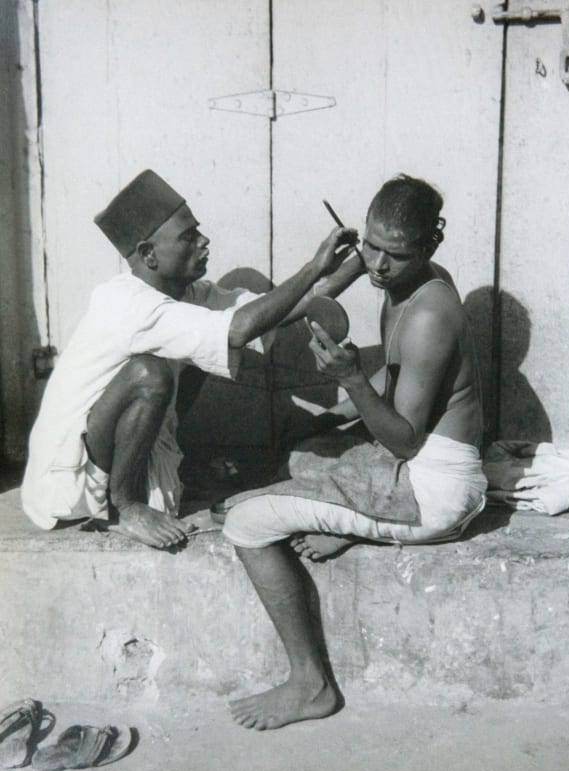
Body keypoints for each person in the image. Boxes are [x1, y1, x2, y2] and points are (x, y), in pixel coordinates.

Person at [221, 174, 488, 729]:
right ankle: (355, 523)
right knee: (302, 451)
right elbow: (399, 379)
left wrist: (351, 380)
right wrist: (334, 415)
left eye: (397, 255)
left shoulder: (430, 315)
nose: (380, 266)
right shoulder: (419, 280)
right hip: (417, 465)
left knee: (244, 522)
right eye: (371, 246)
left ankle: (311, 684)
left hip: (431, 492)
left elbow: (404, 438)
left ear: (431, 245)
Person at [21, 169, 363, 549]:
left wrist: (362, 263)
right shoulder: (126, 302)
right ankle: (123, 508)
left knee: (205, 355)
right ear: (148, 254)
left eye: (198, 231)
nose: (204, 241)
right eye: (188, 237)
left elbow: (280, 310)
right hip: (71, 481)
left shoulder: (189, 294)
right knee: (150, 373)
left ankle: (133, 494)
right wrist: (313, 266)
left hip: (115, 458)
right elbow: (238, 330)